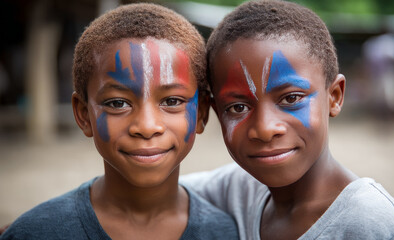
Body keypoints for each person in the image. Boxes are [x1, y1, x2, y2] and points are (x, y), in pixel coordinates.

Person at [181, 0, 394, 239]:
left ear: (334, 96)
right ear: (215, 111)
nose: (265, 129)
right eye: (238, 107)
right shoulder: (234, 192)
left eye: (291, 98)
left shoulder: (377, 226)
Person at [0, 3, 238, 240]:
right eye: (117, 103)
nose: (146, 127)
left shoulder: (226, 232)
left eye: (172, 101)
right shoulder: (34, 233)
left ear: (202, 113)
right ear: (83, 115)